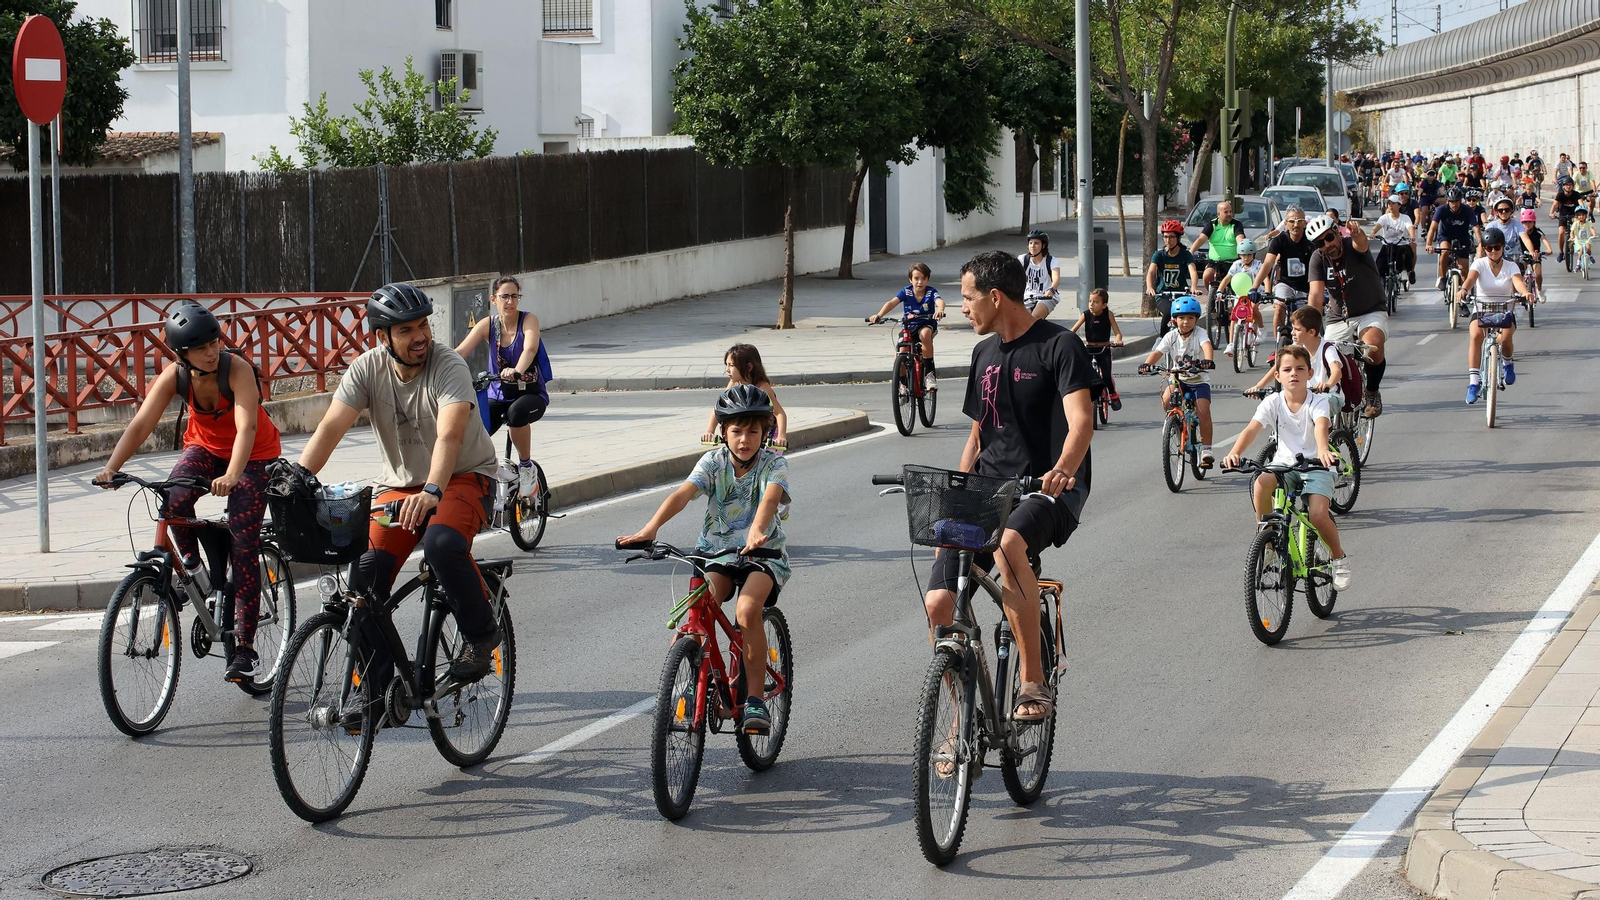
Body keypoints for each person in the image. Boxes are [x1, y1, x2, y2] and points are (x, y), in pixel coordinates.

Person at [297, 282, 504, 687]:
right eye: (407, 330)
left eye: (423, 325)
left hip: (464, 476)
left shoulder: (449, 366)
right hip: (398, 485)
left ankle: (481, 635)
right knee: (364, 581)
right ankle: (377, 688)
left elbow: (449, 436)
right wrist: (299, 477)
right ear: (382, 337)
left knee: (442, 544)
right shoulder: (366, 369)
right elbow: (330, 427)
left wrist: (432, 491)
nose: (421, 336)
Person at [923, 250, 1094, 723]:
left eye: (967, 297)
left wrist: (1063, 468)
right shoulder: (984, 353)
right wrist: (957, 493)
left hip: (1047, 488)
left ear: (995, 297)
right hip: (989, 489)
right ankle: (961, 718)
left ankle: (1032, 682)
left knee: (1010, 543)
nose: (962, 307)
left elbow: (1082, 421)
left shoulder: (1060, 346)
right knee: (939, 601)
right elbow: (978, 434)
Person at [96, 302, 282, 683]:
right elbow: (141, 423)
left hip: (253, 456)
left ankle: (245, 650)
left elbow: (246, 428)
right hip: (204, 449)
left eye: (214, 342)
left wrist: (233, 474)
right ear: (182, 354)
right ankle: (194, 571)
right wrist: (112, 468)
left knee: (244, 543)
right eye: (200, 348)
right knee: (173, 500)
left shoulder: (237, 369)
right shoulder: (175, 377)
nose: (211, 351)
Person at [618, 385, 791, 734]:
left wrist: (758, 529)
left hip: (763, 554)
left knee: (746, 612)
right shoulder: (713, 461)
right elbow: (684, 493)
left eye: (753, 431)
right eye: (736, 431)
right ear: (724, 432)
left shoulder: (774, 463)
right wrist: (649, 529)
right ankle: (692, 678)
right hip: (716, 551)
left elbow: (770, 501)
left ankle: (755, 699)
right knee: (698, 608)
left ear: (765, 432)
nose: (745, 439)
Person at [1223, 344, 1352, 591]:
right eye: (1287, 369)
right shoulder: (1273, 402)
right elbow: (1252, 428)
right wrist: (1234, 453)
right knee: (1261, 482)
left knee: (1316, 514)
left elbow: (1321, 426)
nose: (1294, 373)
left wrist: (1323, 449)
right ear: (1278, 375)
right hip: (1285, 464)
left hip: (1317, 465)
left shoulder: (1318, 401)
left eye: (1300, 369)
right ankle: (1269, 542)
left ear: (1310, 373)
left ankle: (1338, 557)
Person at [454, 275, 549, 497]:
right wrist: (436, 366)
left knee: (516, 413)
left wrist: (517, 370)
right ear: (493, 299)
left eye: (514, 296)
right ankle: (494, 470)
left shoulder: (528, 320)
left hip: (530, 393)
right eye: (504, 296)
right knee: (475, 426)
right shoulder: (487, 325)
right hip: (498, 393)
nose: (510, 301)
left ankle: (526, 468)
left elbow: (530, 349)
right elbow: (460, 352)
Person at [1307, 213, 1389, 418]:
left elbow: (1361, 243)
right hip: (1339, 317)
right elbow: (1316, 296)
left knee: (1372, 348)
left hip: (1370, 310)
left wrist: (1358, 232)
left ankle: (1371, 392)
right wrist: (1310, 328)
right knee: (1327, 359)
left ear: (1337, 232)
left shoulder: (1351, 245)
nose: (1327, 245)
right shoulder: (1318, 259)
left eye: (1329, 238)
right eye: (1320, 243)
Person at [1138, 296, 1218, 465]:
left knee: (1203, 410)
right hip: (1178, 378)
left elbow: (1207, 347)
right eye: (1181, 318)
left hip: (1198, 380)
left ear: (1196, 319)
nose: (1186, 322)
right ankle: (1173, 424)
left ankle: (1206, 449)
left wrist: (1208, 360)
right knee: (1167, 398)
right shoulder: (1171, 336)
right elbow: (1157, 353)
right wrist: (1147, 364)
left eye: (1190, 318)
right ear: (1174, 319)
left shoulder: (1200, 333)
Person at [1455, 229, 1529, 404]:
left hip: (1504, 309)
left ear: (1503, 247)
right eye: (1489, 248)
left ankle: (1508, 363)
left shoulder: (1511, 266)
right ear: (1485, 249)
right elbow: (1471, 279)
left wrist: (1525, 293)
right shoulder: (1479, 264)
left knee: (1505, 338)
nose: (1493, 251)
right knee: (1475, 335)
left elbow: (1518, 281)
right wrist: (1464, 289)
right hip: (1482, 308)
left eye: (1496, 247)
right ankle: (1474, 383)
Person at [1245, 305, 1345, 408]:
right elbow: (1278, 366)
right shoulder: (1297, 347)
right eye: (1292, 329)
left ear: (1311, 332)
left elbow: (1336, 371)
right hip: (1305, 396)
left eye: (1297, 329)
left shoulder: (1327, 349)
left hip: (1328, 396)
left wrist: (1327, 384)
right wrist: (1259, 386)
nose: (1292, 333)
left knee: (1313, 408)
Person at [869, 262, 946, 391]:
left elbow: (939, 301)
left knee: (925, 334)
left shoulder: (931, 292)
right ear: (910, 279)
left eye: (923, 278)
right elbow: (892, 303)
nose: (920, 282)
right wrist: (879, 315)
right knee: (900, 352)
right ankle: (903, 384)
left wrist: (940, 309)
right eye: (916, 278)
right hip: (909, 327)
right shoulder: (906, 291)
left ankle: (929, 375)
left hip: (925, 324)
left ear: (928, 279)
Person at [701, 344, 788, 449]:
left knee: (767, 462)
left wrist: (781, 437)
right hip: (745, 432)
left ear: (749, 367)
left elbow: (779, 414)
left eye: (731, 365)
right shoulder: (733, 383)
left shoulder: (762, 387)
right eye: (726, 365)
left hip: (767, 435)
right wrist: (709, 432)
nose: (727, 370)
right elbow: (718, 408)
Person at [1251, 206, 1316, 343]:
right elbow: (1267, 264)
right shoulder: (1279, 240)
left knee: (1306, 318)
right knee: (1279, 308)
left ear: (1305, 223)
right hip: (1285, 283)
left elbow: (1321, 266)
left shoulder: (1311, 241)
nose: (1296, 224)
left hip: (1306, 287)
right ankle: (1277, 348)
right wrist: (1254, 287)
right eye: (1292, 221)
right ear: (1285, 224)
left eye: (1299, 221)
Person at [1069, 287, 1124, 411]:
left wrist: (1117, 340)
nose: (1091, 304)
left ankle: (1113, 394)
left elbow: (1117, 333)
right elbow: (1073, 330)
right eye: (1090, 301)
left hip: (1103, 349)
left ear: (1104, 305)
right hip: (1089, 349)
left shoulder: (1108, 314)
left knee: (1106, 376)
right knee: (1084, 375)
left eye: (1096, 302)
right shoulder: (1086, 315)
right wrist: (1068, 338)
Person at [1146, 219, 1199, 335]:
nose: (1167, 240)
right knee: (1169, 311)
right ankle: (1162, 339)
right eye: (1165, 237)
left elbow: (1193, 271)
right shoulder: (1159, 254)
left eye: (1171, 237)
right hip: (1163, 294)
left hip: (1181, 294)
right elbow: (1151, 272)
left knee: (1188, 315)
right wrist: (1150, 287)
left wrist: (1194, 287)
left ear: (1178, 238)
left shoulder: (1185, 254)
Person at [1190, 199, 1248, 303]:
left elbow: (1240, 238)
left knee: (1236, 286)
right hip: (1214, 262)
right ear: (1218, 214)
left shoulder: (1236, 225)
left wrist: (1243, 247)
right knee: (1207, 275)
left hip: (1233, 262)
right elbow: (1201, 239)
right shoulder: (1212, 225)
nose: (1229, 214)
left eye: (1230, 211)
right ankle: (1212, 298)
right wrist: (1191, 251)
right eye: (1226, 212)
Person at [1428, 187, 1483, 291]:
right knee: (1444, 251)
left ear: (1460, 200)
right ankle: (1443, 278)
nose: (1454, 204)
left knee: (1464, 270)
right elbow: (1433, 227)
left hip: (1462, 237)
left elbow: (1476, 228)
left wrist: (1480, 245)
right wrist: (1429, 244)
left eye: (1456, 201)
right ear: (1447, 201)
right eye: (1451, 201)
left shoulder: (1468, 210)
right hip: (1445, 236)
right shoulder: (1441, 210)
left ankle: (1463, 295)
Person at [1222, 237, 1266, 356]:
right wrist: (1219, 291)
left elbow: (1265, 277)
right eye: (1243, 255)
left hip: (1255, 294)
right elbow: (1227, 278)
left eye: (1249, 255)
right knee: (1234, 316)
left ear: (1253, 254)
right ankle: (1231, 344)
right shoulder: (1236, 265)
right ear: (1239, 255)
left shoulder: (1257, 265)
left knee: (1254, 308)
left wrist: (1267, 291)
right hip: (1240, 294)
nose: (1246, 258)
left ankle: (1261, 330)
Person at [1371, 194, 1417, 285]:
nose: (1390, 205)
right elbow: (1377, 226)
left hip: (1401, 244)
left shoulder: (1405, 218)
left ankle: (1404, 271)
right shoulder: (1385, 217)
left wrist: (1412, 236)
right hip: (1387, 244)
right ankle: (1382, 281)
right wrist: (1373, 233)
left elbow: (1410, 227)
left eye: (1393, 203)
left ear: (1399, 205)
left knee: (1405, 252)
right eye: (1389, 203)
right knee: (1379, 265)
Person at [1019, 229, 1062, 319]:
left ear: (1043, 245)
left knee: (1035, 317)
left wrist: (1051, 290)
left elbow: (1056, 279)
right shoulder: (1023, 259)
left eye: (1036, 243)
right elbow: (1012, 274)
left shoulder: (1051, 261)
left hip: (1047, 297)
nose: (1033, 246)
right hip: (1027, 296)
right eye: (1030, 243)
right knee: (1021, 319)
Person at [1519, 209, 1552, 302]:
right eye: (1525, 222)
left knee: (1538, 274)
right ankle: (1521, 290)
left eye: (1530, 222)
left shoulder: (1537, 231)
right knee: (1519, 271)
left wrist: (1549, 249)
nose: (1527, 224)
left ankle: (1539, 290)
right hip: (1523, 255)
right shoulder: (1520, 232)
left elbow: (1544, 239)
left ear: (1534, 222)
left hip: (1535, 255)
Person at [1482, 198, 1525, 264]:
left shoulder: (1517, 224)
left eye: (1507, 210)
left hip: (1515, 260)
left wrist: (1532, 252)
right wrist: (1479, 254)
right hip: (1497, 261)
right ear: (1496, 212)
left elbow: (1526, 239)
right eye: (1500, 210)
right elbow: (1484, 242)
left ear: (1511, 211)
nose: (1504, 212)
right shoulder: (1491, 226)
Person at [1550, 177, 1582, 262]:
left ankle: (1580, 246)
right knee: (1561, 232)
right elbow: (1554, 205)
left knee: (1578, 227)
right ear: (1563, 186)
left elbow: (1581, 203)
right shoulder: (1560, 194)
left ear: (1573, 186)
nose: (1568, 187)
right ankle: (1561, 253)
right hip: (1563, 216)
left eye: (1570, 185)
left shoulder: (1576, 194)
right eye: (1566, 185)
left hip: (1574, 215)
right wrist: (1551, 213)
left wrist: (1583, 213)